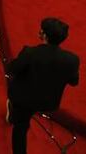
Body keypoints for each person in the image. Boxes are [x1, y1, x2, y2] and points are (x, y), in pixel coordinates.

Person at [7, 18, 81, 154]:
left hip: (23, 100)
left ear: (44, 34)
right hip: (48, 103)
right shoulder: (72, 60)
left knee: (20, 129)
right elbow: (74, 82)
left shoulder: (29, 53)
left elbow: (12, 69)